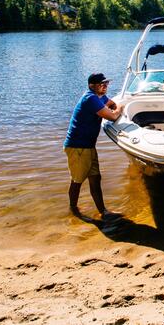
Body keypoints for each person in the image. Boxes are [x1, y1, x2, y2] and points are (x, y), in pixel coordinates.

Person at [63, 73, 122, 219]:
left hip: (88, 147)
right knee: (77, 180)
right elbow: (113, 115)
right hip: (78, 147)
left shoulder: (98, 97)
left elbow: (110, 103)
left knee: (96, 178)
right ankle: (73, 210)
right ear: (92, 85)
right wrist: (120, 107)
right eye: (102, 84)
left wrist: (113, 106)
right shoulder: (90, 98)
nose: (105, 86)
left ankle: (103, 211)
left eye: (106, 83)